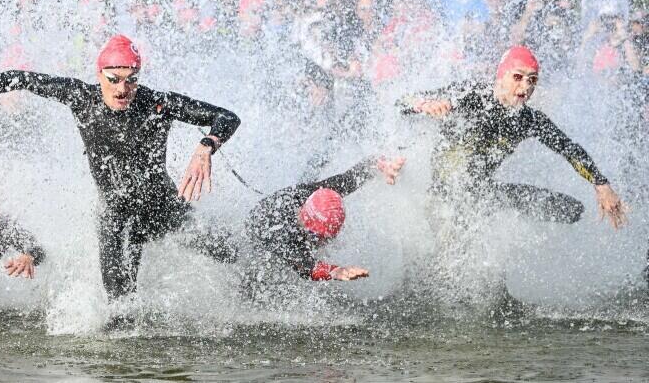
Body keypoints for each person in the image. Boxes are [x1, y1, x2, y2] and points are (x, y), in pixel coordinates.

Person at [0, 34, 241, 301]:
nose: (123, 89)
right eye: (114, 80)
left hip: (160, 204)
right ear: (99, 75)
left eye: (131, 80)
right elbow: (20, 78)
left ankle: (251, 276)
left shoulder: (158, 103)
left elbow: (227, 117)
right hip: (115, 212)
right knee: (119, 301)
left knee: (226, 252)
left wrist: (207, 146)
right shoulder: (81, 97)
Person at [396, 45, 628, 232]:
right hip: (442, 194)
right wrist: (425, 105)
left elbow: (568, 148)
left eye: (532, 80)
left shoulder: (528, 119)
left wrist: (601, 184)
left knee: (571, 209)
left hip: (480, 193)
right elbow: (402, 101)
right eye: (518, 77)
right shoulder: (473, 96)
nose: (525, 87)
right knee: (459, 224)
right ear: (501, 76)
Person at [245, 154, 406, 284]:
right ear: (304, 221)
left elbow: (351, 177)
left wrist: (381, 165)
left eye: (329, 238)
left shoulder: (318, 194)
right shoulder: (280, 232)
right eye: (318, 237)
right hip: (253, 243)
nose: (323, 243)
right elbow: (305, 267)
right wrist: (334, 271)